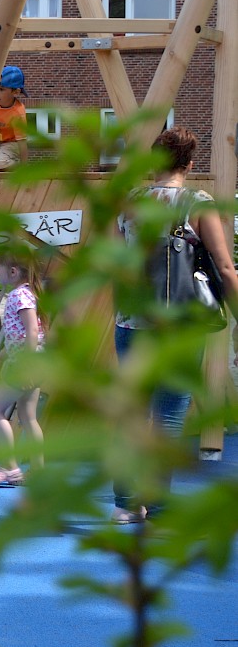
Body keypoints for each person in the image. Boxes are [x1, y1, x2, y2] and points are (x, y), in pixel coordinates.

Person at [112, 125, 238, 523]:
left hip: (131, 324)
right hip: (180, 326)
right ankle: (158, 504)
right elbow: (225, 268)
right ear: (190, 163)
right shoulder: (197, 203)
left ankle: (125, 503)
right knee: (167, 416)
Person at [0, 253, 46, 486]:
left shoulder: (19, 296)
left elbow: (31, 331)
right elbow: (17, 336)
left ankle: (10, 466)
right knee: (28, 417)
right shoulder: (29, 293)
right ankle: (37, 470)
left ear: (13, 271)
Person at [0, 65, 28, 171]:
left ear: (16, 92)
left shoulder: (17, 113)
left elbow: (22, 142)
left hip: (12, 144)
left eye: (1, 89)